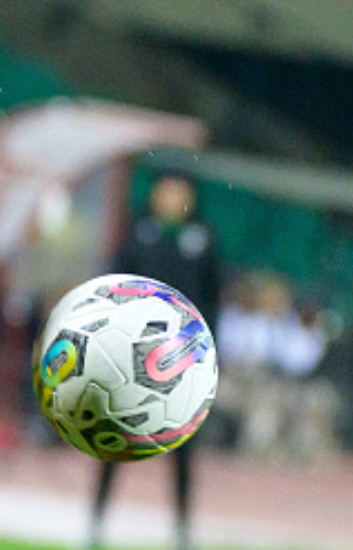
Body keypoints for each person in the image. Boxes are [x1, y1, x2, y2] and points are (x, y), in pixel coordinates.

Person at [88, 171, 222, 550]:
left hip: (183, 362)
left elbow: (213, 300)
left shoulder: (204, 238)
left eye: (180, 191)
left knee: (182, 448)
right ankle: (96, 522)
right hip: (133, 359)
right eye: (167, 190)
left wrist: (207, 355)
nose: (172, 197)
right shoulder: (138, 232)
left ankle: (182, 529)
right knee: (116, 439)